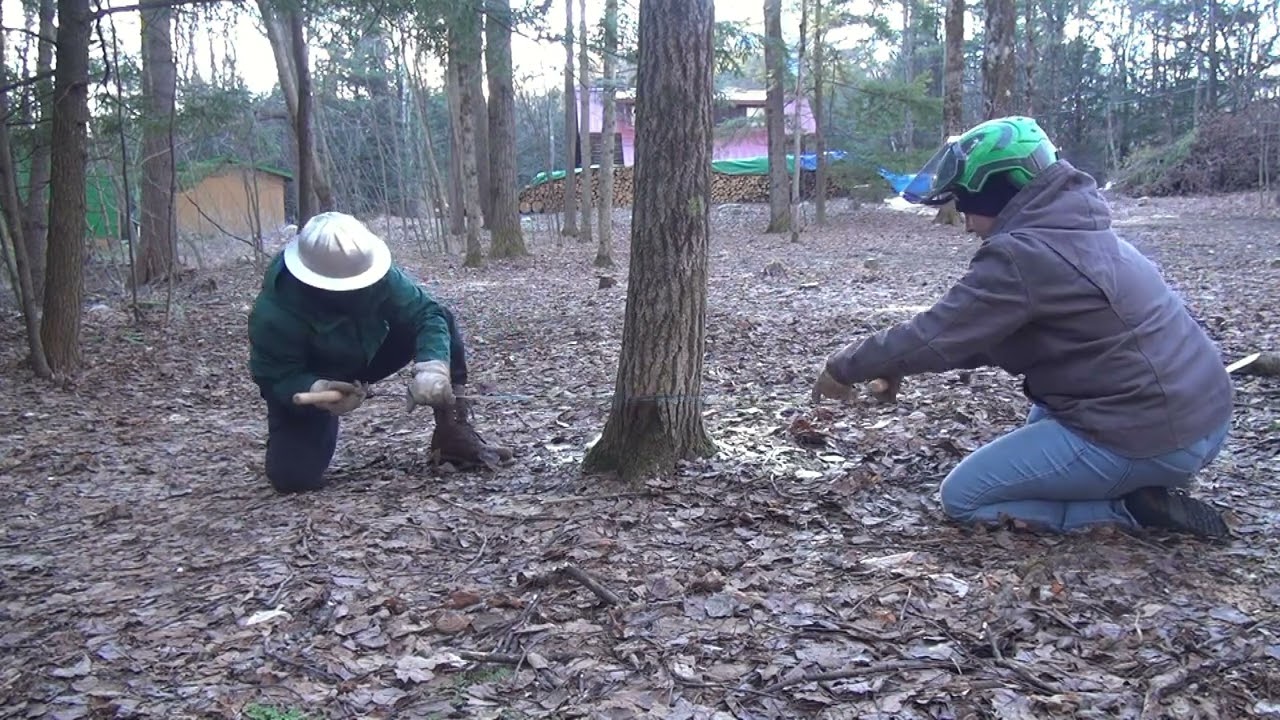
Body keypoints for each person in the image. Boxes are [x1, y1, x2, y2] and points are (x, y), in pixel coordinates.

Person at [811, 116, 1234, 539]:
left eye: (965, 201)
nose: (964, 220)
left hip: (1152, 432)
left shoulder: (1023, 254)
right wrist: (897, 364)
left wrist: (845, 367)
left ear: (999, 191)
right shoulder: (1077, 229)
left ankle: (1130, 509)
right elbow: (981, 335)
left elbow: (937, 335)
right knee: (1039, 432)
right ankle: (1128, 479)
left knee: (964, 498)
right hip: (1202, 417)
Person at [247, 211, 513, 493]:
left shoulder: (378, 274)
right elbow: (274, 376)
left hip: (367, 353)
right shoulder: (274, 313)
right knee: (293, 477)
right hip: (315, 376)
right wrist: (315, 389)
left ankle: (453, 431)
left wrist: (432, 367)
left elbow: (427, 314)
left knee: (442, 319)